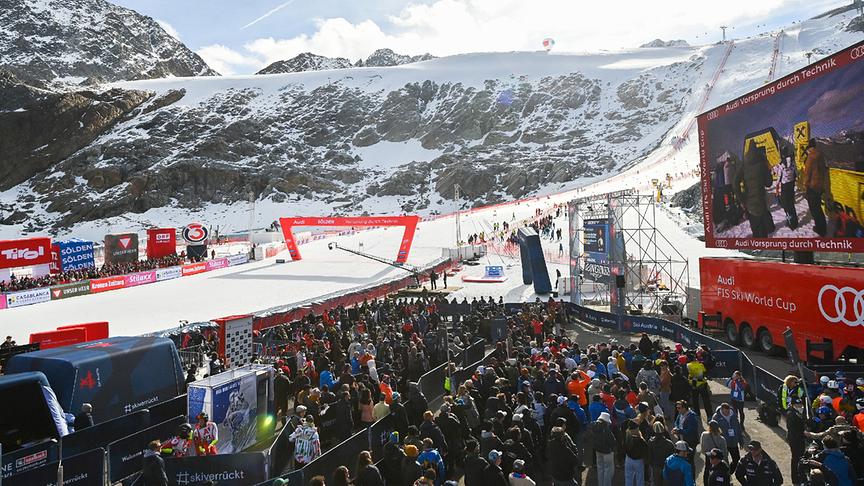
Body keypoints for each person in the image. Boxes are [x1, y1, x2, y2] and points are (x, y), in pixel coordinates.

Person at [734, 146, 774, 237]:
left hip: (749, 203)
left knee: (755, 228)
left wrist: (741, 199)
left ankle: (757, 244)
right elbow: (769, 183)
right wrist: (768, 171)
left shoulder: (743, 165)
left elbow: (735, 183)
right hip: (761, 201)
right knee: (764, 229)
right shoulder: (762, 164)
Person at [803, 139, 828, 237]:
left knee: (814, 209)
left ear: (810, 148)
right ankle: (823, 228)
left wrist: (805, 186)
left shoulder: (810, 157)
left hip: (812, 186)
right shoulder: (820, 155)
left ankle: (820, 229)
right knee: (818, 208)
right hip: (820, 185)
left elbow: (807, 174)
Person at [711, 403, 741, 473]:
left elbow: (738, 428)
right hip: (723, 442)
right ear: (721, 410)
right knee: (723, 460)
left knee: (736, 459)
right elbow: (713, 430)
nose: (727, 413)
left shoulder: (733, 415)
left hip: (733, 442)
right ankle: (724, 475)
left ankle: (728, 473)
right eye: (725, 412)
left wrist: (740, 440)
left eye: (728, 411)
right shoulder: (716, 417)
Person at [591, 412, 616, 486]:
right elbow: (612, 441)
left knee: (600, 469)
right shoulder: (606, 428)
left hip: (597, 451)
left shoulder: (593, 425)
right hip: (607, 452)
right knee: (608, 471)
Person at [786, 398, 808, 484]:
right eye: (797, 405)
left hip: (799, 438)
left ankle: (800, 475)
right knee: (796, 458)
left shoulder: (798, 413)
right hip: (795, 439)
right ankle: (796, 478)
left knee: (800, 457)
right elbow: (793, 429)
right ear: (792, 405)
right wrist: (803, 432)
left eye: (800, 405)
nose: (799, 407)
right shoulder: (791, 414)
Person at [775, 151, 799, 229]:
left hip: (784, 186)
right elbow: (796, 174)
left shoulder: (782, 165)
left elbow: (778, 177)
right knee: (791, 204)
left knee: (786, 205)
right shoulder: (792, 163)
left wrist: (777, 187)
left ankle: (790, 223)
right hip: (791, 185)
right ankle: (795, 222)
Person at [648, 421, 676, 486]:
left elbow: (649, 457)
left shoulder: (650, 442)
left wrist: (653, 465)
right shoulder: (670, 443)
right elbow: (673, 458)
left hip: (656, 467)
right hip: (667, 468)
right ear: (663, 430)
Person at [624, 421, 648, 486]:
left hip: (628, 459)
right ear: (636, 429)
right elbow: (645, 448)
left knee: (628, 478)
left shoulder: (626, 436)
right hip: (638, 461)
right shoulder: (640, 440)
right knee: (640, 479)